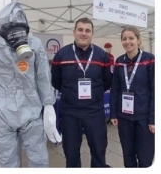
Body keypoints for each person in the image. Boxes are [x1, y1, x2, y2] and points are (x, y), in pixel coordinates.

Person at [0, 0, 60, 167]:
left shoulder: (34, 44)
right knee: (5, 163)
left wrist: (49, 106)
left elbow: (43, 77)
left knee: (39, 160)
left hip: (31, 111)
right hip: (1, 114)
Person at [51, 17, 113, 167]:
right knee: (71, 152)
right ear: (74, 32)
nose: (83, 33)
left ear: (92, 34)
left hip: (94, 111)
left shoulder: (102, 56)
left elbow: (107, 82)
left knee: (99, 150)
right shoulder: (61, 55)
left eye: (87, 30)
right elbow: (56, 82)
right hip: (70, 111)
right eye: (80, 30)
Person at [110, 26, 155, 168]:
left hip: (144, 118)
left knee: (145, 157)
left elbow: (155, 90)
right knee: (128, 156)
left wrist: (153, 119)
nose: (127, 42)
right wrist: (113, 113)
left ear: (139, 40)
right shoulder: (119, 61)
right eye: (124, 39)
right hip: (124, 118)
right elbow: (115, 89)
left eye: (131, 38)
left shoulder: (150, 59)